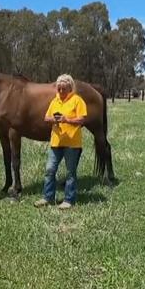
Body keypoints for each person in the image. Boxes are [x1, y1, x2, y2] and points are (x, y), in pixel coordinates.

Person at [35, 74, 87, 209]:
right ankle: (48, 197)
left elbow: (82, 120)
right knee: (49, 170)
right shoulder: (55, 101)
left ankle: (68, 200)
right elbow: (46, 118)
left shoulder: (77, 100)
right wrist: (54, 120)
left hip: (72, 144)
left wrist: (67, 120)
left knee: (70, 173)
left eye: (64, 89)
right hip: (56, 142)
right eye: (59, 89)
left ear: (70, 88)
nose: (61, 91)